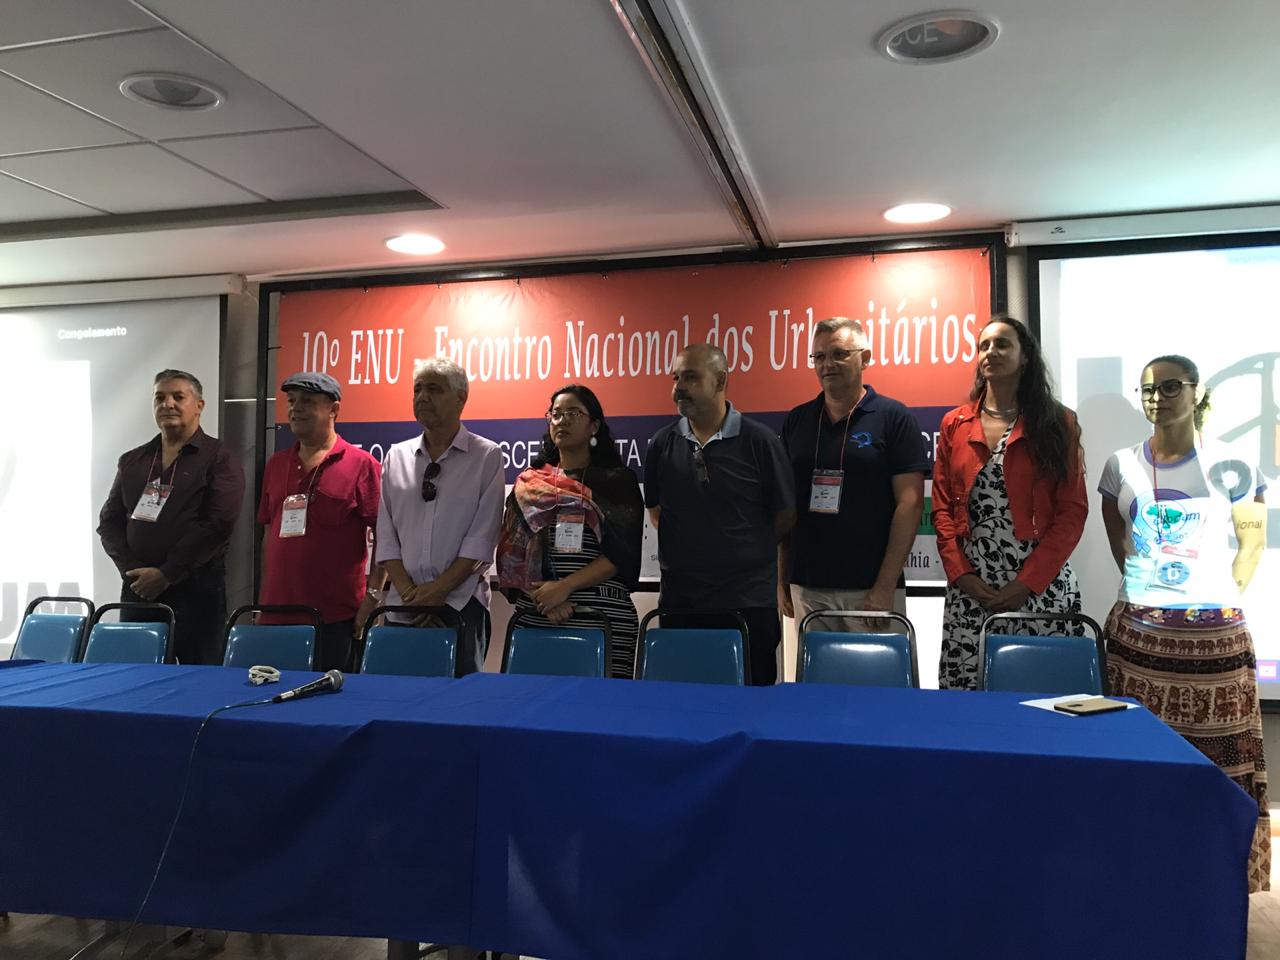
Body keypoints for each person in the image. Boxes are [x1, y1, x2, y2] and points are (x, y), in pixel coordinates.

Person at [1099, 354, 1270, 891]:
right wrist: (1149, 595)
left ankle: (1216, 880)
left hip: (1214, 640)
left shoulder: (1233, 463)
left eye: (1171, 386)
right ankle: (1143, 875)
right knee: (1139, 762)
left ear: (1196, 392)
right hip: (1139, 640)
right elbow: (1118, 540)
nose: (1158, 398)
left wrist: (1213, 602)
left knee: (1220, 765)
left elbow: (1252, 545)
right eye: (1148, 389)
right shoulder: (1119, 465)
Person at [931, 316, 1087, 690]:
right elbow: (941, 509)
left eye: (1002, 344)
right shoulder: (955, 423)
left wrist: (1026, 583)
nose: (991, 352)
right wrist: (962, 576)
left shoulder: (1057, 422)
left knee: (1042, 698)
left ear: (1025, 356)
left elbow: (1072, 512)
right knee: (969, 700)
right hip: (973, 589)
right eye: (983, 346)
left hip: (1040, 586)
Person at [643, 343, 796, 685]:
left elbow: (785, 515)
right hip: (680, 602)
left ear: (721, 380)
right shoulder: (662, 444)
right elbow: (656, 511)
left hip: (747, 602)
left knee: (749, 705)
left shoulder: (760, 441)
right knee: (684, 703)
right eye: (675, 378)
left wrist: (743, 547)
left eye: (691, 377)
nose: (679, 387)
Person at [778, 317, 928, 626]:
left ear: (865, 358)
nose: (827, 365)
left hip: (871, 591)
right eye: (819, 356)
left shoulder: (894, 418)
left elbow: (910, 504)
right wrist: (781, 579)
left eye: (839, 354)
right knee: (810, 661)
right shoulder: (797, 420)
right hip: (807, 587)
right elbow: (785, 505)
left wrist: (885, 585)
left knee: (876, 662)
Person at [98, 369, 245, 665]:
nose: (167, 404)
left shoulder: (219, 458)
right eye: (160, 397)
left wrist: (167, 573)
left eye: (178, 397)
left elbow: (217, 525)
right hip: (140, 592)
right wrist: (133, 571)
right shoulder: (133, 460)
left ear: (199, 406)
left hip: (197, 594)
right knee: (138, 678)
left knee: (199, 680)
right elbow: (109, 523)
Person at [497, 385, 644, 678]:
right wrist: (545, 599)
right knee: (531, 703)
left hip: (601, 616)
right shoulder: (530, 483)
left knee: (601, 703)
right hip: (538, 614)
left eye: (573, 413)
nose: (562, 420)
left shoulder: (617, 482)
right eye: (556, 414)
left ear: (594, 426)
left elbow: (622, 554)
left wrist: (564, 587)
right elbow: (512, 554)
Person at [374, 357, 504, 675]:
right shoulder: (396, 456)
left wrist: (438, 592)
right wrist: (412, 595)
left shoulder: (486, 456)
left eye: (433, 389)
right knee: (395, 697)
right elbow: (386, 536)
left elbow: (482, 538)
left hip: (460, 605)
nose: (422, 397)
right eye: (417, 389)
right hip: (403, 607)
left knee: (458, 700)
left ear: (461, 398)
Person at [257, 371, 381, 672]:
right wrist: (262, 601)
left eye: (308, 402)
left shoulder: (361, 464)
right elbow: (268, 532)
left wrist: (373, 597)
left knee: (331, 696)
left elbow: (386, 536)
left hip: (336, 618)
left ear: (334, 410)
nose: (295, 409)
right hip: (276, 615)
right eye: (292, 401)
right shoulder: (277, 464)